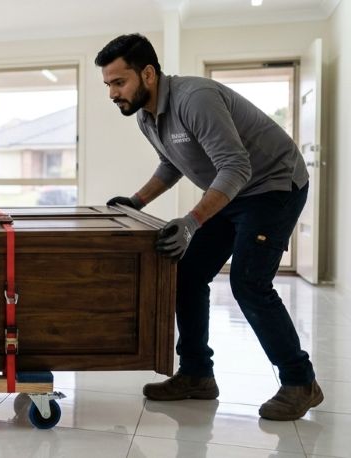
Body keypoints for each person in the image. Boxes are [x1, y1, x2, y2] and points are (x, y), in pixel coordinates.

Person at [95, 33, 322, 421]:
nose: (113, 93)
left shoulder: (194, 99)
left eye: (119, 82)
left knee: (249, 282)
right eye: (109, 85)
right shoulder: (147, 117)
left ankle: (300, 382)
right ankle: (198, 374)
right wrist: (137, 201)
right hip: (233, 192)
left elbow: (237, 166)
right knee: (185, 272)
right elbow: (173, 164)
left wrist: (192, 222)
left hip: (273, 186)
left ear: (148, 74)